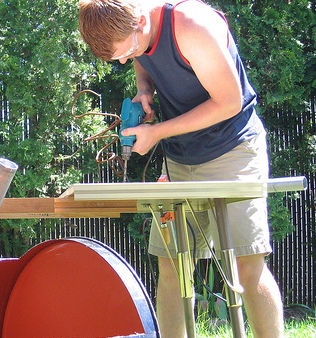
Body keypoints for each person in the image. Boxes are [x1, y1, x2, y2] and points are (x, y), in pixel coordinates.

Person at [78, 1, 284, 337]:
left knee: (246, 264)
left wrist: (156, 132)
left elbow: (230, 101)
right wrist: (145, 90)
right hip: (180, 158)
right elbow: (142, 57)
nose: (124, 60)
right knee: (172, 264)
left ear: (142, 20)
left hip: (232, 150)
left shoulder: (192, 26)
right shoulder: (135, 30)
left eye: (125, 51)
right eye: (118, 58)